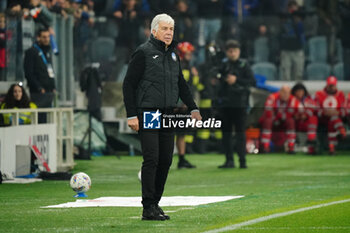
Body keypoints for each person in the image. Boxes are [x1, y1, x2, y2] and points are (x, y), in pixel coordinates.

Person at [122, 13, 201, 221]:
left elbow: (181, 83)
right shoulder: (143, 52)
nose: (169, 33)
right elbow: (128, 84)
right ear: (154, 30)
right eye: (165, 29)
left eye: (171, 29)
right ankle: (147, 206)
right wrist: (131, 115)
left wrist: (193, 108)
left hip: (168, 113)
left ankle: (155, 203)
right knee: (152, 158)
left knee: (166, 159)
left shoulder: (173, 54)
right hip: (148, 112)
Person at [217, 40, 256, 168]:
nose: (232, 53)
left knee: (240, 133)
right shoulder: (222, 66)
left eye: (234, 50)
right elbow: (216, 81)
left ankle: (242, 160)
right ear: (226, 52)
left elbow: (252, 81)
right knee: (226, 134)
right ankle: (229, 160)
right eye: (230, 51)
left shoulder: (244, 65)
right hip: (226, 104)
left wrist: (236, 80)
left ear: (239, 52)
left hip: (240, 104)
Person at [24, 28, 56, 122]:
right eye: (44, 37)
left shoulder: (47, 52)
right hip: (38, 93)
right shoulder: (31, 52)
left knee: (48, 120)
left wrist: (53, 86)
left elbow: (49, 70)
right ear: (38, 38)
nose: (46, 39)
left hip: (49, 93)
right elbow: (29, 73)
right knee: (39, 119)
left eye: (48, 37)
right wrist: (39, 88)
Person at [260, 85, 302, 154]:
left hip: (283, 122)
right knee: (268, 121)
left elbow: (301, 111)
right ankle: (265, 146)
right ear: (280, 92)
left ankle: (291, 146)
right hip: (272, 121)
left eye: (287, 93)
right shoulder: (272, 97)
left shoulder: (293, 100)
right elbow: (268, 112)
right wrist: (281, 115)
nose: (285, 95)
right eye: (284, 92)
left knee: (291, 121)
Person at [314, 76, 346, 155]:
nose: (331, 88)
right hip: (322, 119)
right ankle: (341, 130)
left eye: (333, 86)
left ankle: (331, 147)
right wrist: (324, 112)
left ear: (336, 85)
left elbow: (344, 110)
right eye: (330, 85)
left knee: (333, 119)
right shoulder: (319, 94)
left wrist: (337, 112)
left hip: (335, 119)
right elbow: (315, 109)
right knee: (333, 119)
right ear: (327, 85)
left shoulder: (340, 95)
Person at [291, 83, 318, 154]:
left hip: (306, 123)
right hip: (295, 123)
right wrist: (296, 116)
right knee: (290, 121)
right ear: (294, 92)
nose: (300, 93)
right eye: (298, 91)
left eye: (301, 91)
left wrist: (305, 115)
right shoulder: (291, 100)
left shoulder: (308, 100)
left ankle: (311, 139)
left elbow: (312, 109)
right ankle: (291, 146)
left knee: (313, 118)